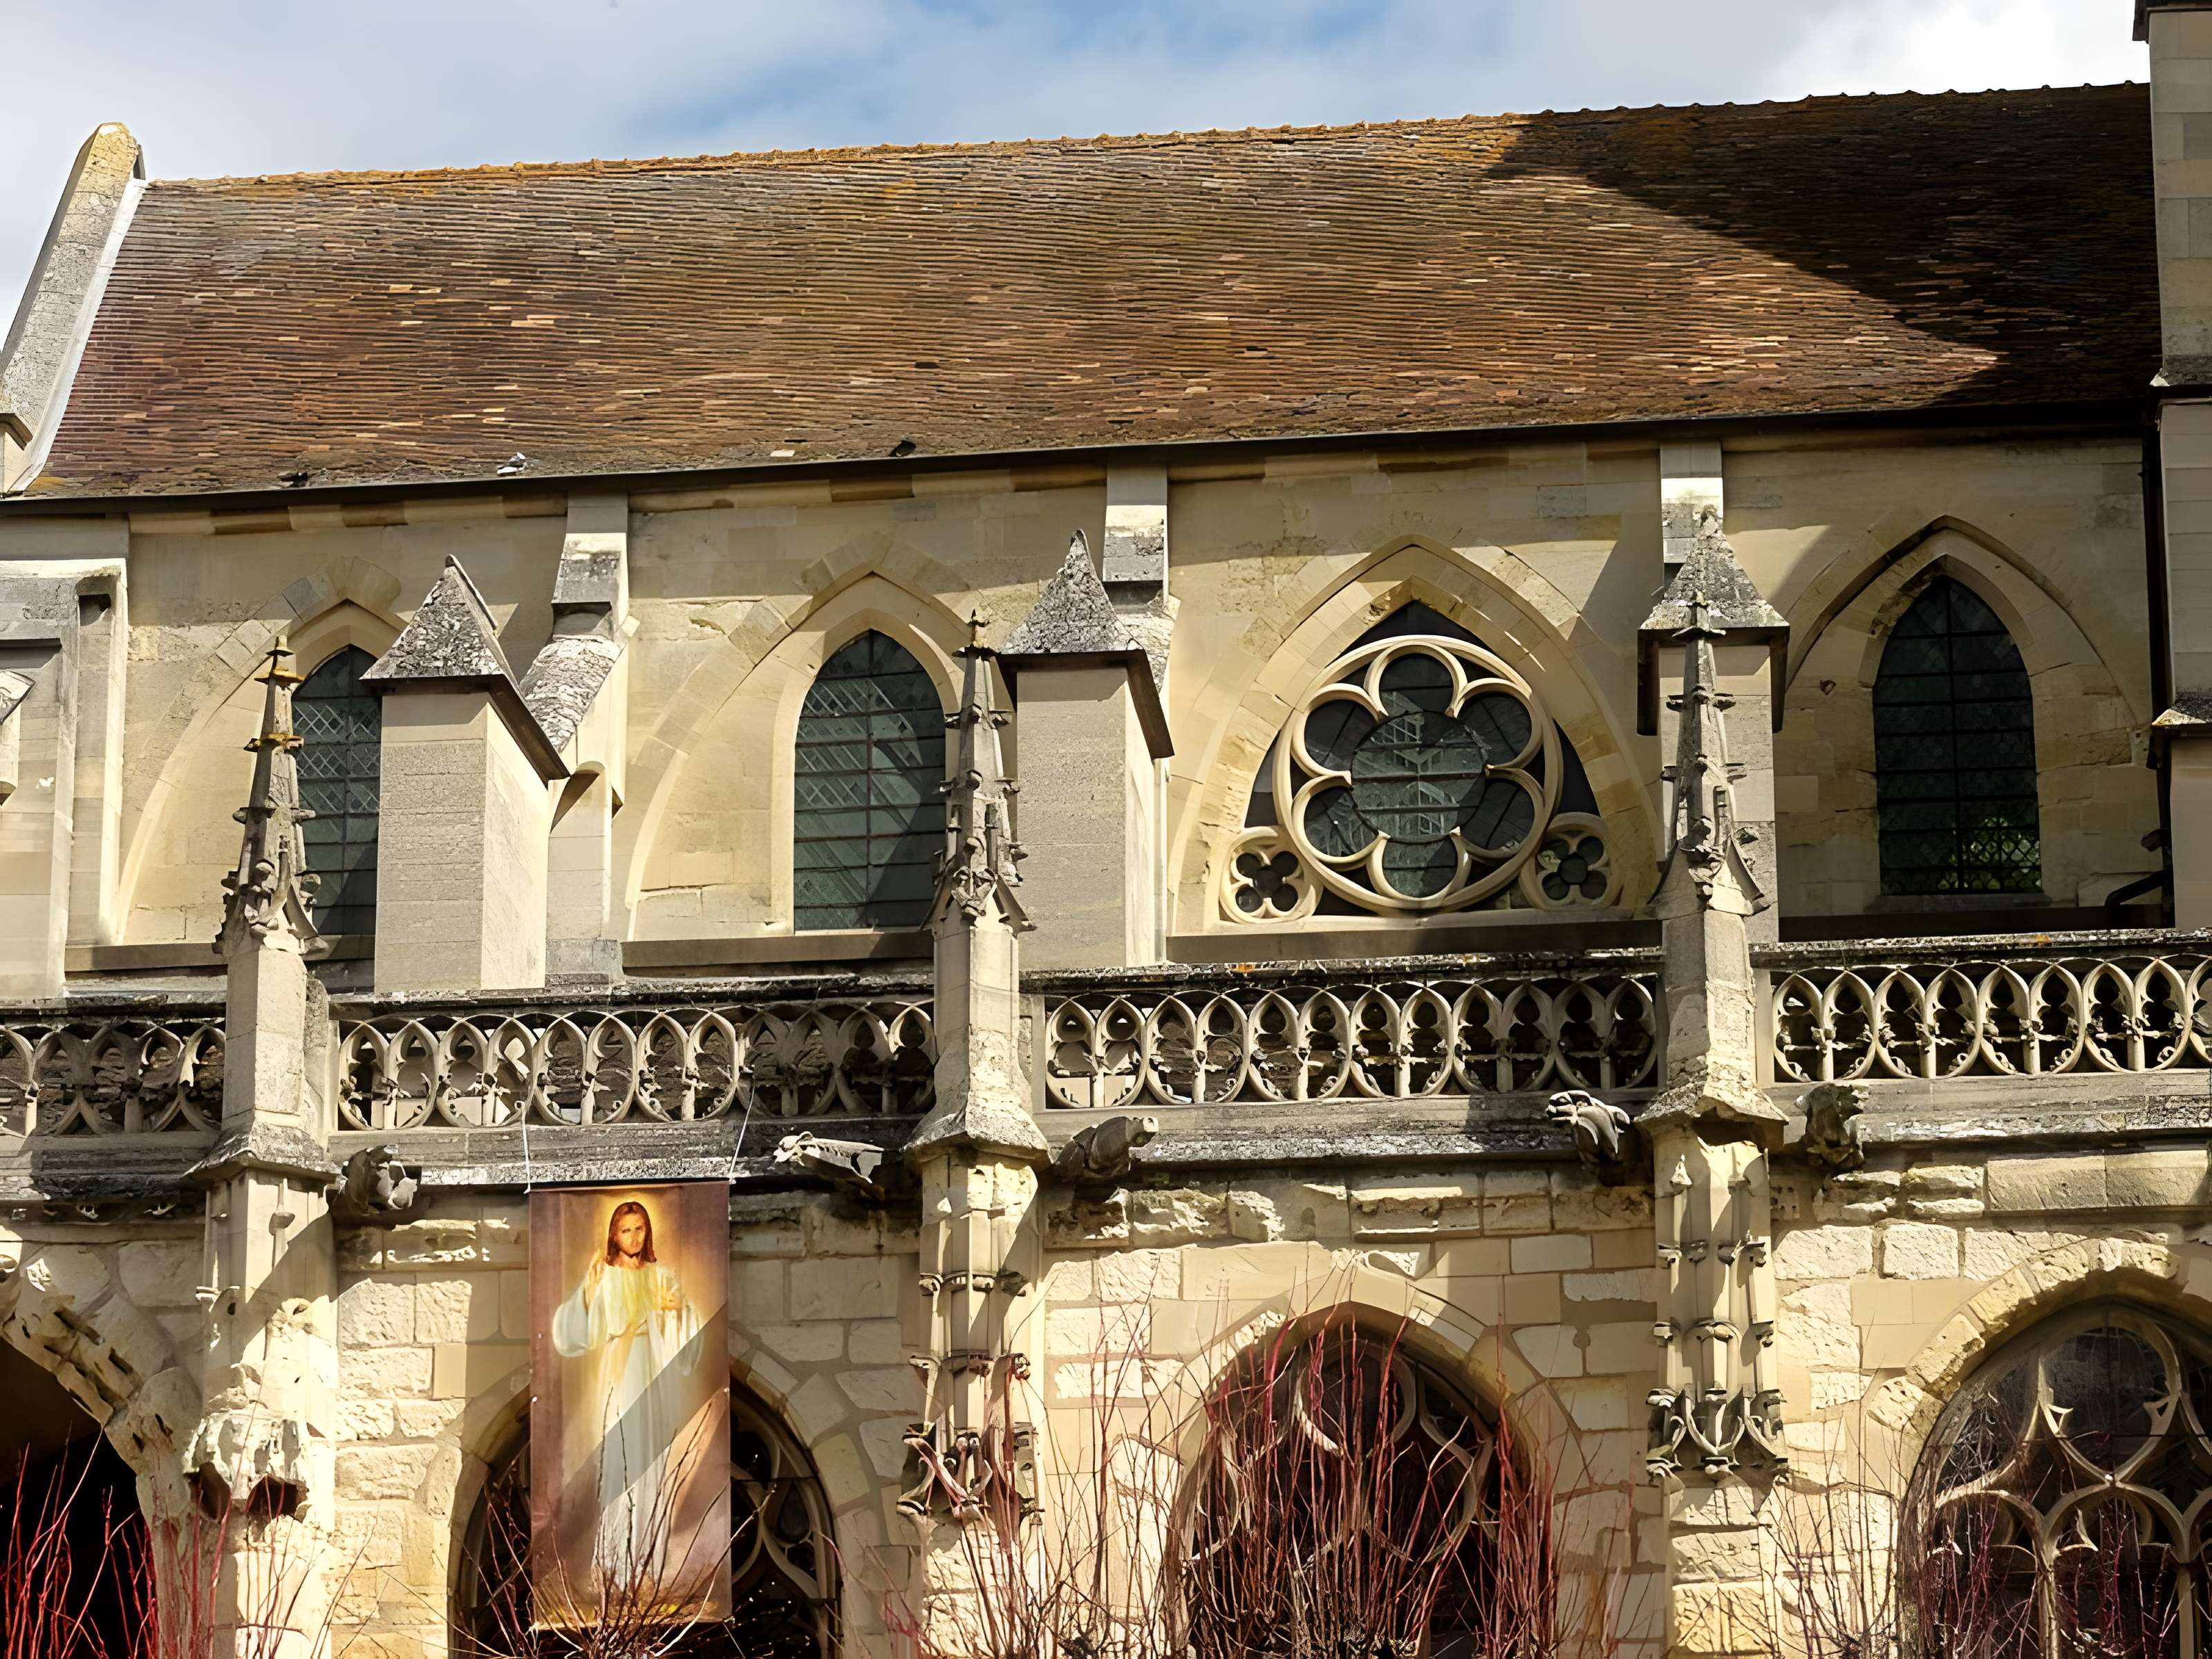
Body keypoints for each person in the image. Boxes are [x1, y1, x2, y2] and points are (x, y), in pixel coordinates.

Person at [550, 1199, 706, 1595]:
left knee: (650, 1466)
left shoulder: (662, 1277)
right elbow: (575, 1331)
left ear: (647, 1232)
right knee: (621, 1465)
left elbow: (688, 1332)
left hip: (652, 1379)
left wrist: (675, 1310)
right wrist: (587, 1292)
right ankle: (614, 1565)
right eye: (625, 1230)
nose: (633, 1237)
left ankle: (646, 1565)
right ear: (613, 1235)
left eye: (639, 1229)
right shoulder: (603, 1276)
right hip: (619, 1375)